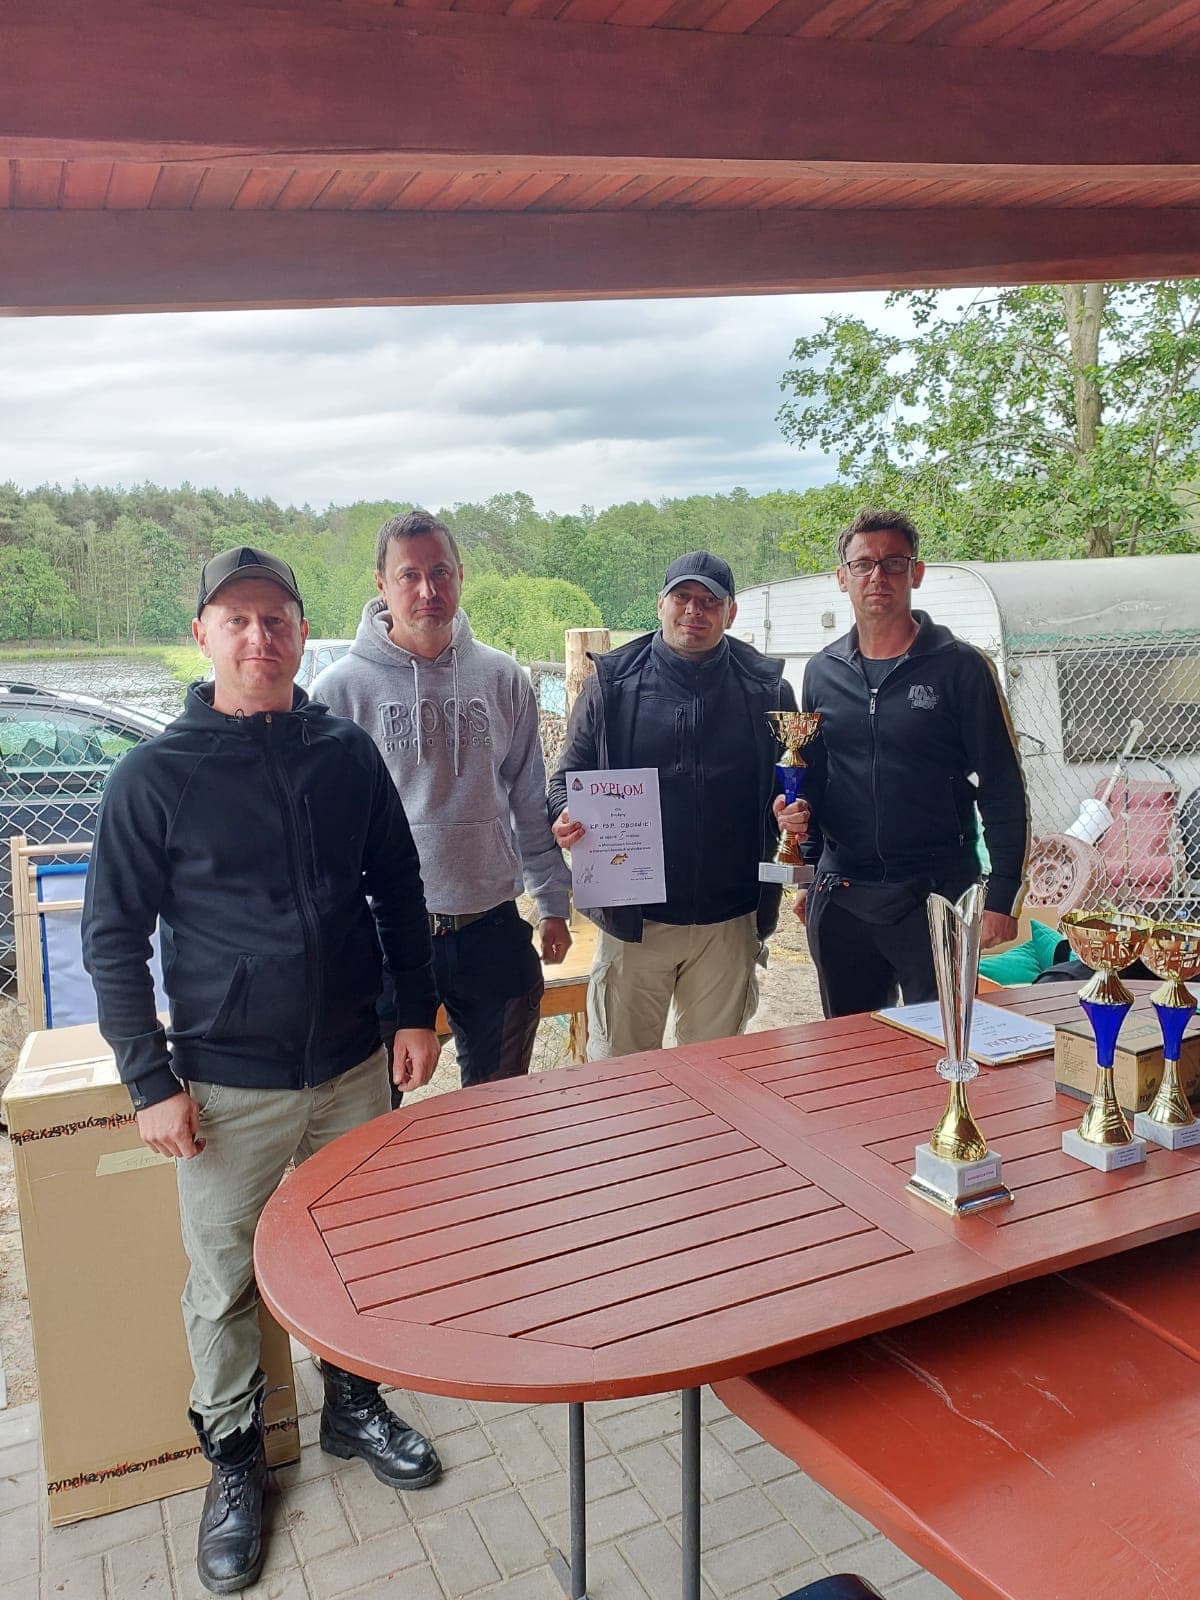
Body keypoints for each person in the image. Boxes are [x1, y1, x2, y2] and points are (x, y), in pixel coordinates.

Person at [81, 547, 443, 1596]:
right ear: (201, 634)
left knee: (355, 1253)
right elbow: (113, 938)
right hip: (225, 1085)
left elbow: (397, 885)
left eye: (276, 617)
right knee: (224, 1282)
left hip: (352, 1064)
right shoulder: (154, 778)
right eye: (236, 619)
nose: (258, 636)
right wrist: (149, 1081)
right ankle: (235, 1462)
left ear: (301, 631)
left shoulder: (345, 754)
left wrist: (411, 1011)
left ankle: (354, 1407)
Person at [311, 509, 572, 1089]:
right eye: (409, 575)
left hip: (490, 925)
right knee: (374, 1114)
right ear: (381, 585)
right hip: (382, 936)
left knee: (499, 1105)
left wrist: (553, 902)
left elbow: (529, 798)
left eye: (440, 573)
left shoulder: (503, 678)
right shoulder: (338, 692)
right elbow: (322, 833)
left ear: (460, 575)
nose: (427, 590)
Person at [549, 550, 800, 1059]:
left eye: (710, 601)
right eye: (682, 597)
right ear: (660, 604)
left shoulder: (768, 689)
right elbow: (564, 781)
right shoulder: (611, 685)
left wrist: (793, 811)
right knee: (621, 1074)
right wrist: (564, 815)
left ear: (730, 613)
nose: (694, 611)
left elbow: (795, 785)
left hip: (730, 917)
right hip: (634, 919)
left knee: (714, 1075)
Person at [779, 508, 1029, 1018]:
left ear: (916, 572)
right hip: (843, 897)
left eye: (893, 563)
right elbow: (815, 780)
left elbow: (1002, 784)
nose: (878, 576)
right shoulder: (822, 671)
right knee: (852, 1052)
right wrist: (805, 865)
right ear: (842, 577)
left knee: (945, 1045)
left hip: (936, 897)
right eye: (863, 564)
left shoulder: (961, 667)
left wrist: (1002, 895)